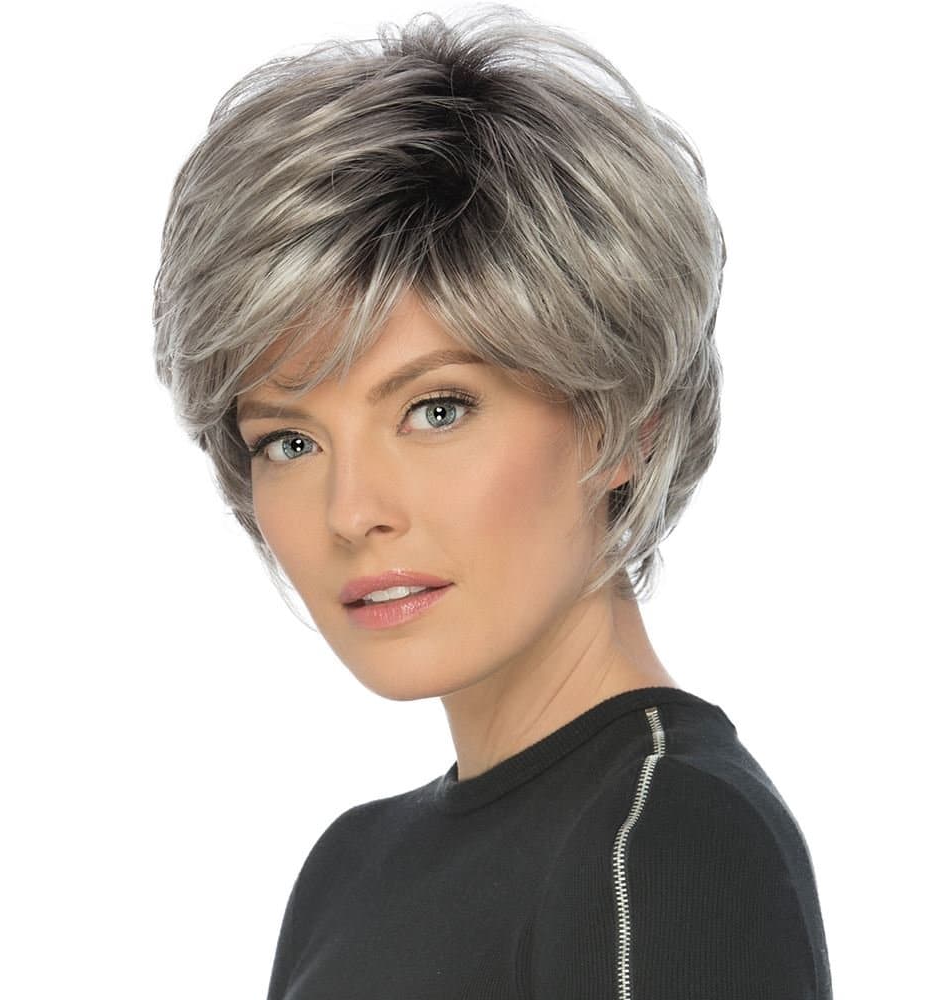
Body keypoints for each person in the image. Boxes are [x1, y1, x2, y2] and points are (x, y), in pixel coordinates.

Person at [152, 6, 833, 998]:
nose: (351, 511)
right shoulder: (351, 869)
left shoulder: (661, 840)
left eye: (436, 409)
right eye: (290, 441)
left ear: (621, 424)